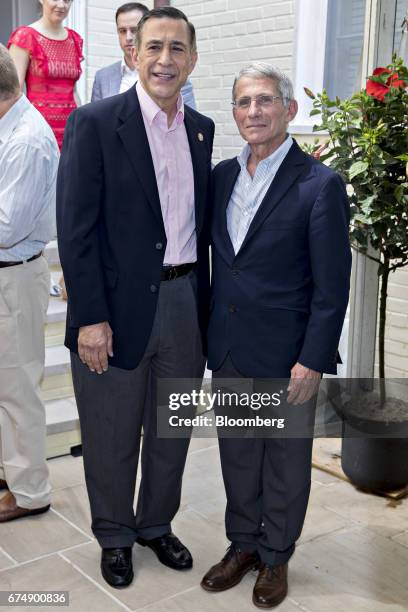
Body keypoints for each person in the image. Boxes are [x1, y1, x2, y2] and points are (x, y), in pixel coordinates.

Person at [57, 7, 214, 590]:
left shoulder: (201, 130)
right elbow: (75, 230)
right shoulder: (95, 123)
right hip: (115, 310)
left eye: (177, 49)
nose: (164, 60)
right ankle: (115, 535)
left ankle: (155, 524)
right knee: (111, 432)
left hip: (183, 303)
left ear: (192, 60)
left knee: (171, 430)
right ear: (133, 54)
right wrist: (90, 317)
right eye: (154, 47)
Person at [201, 63, 351, 608]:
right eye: (243, 102)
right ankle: (242, 546)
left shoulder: (320, 184)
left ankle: (276, 555)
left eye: (265, 101)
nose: (253, 112)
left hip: (288, 354)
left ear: (289, 109)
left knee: (285, 461)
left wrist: (313, 359)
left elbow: (332, 288)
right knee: (237, 455)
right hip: (230, 346)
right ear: (235, 112)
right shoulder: (220, 176)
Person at [0, 44, 59, 522]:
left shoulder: (26, 140)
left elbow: (6, 226)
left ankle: (30, 493)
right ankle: (10, 470)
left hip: (14, 278)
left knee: (18, 387)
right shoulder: (8, 126)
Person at [8, 0, 83, 150]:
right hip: (38, 131)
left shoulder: (74, 39)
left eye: (67, 0)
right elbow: (13, 93)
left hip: (71, 130)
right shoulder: (25, 36)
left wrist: (82, 125)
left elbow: (73, 91)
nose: (62, 5)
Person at [91, 2, 196, 109]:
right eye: (122, 31)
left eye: (134, 30)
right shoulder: (102, 77)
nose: (128, 37)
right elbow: (95, 119)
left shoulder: (173, 78)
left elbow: (188, 119)